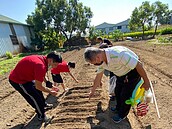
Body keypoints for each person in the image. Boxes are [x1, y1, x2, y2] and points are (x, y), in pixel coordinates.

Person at [84, 46, 151, 123]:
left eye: (94, 63)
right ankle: (118, 108)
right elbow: (98, 77)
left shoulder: (120, 54)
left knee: (125, 95)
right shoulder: (101, 60)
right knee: (117, 92)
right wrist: (92, 91)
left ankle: (122, 115)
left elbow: (138, 65)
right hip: (120, 74)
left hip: (132, 73)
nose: (94, 65)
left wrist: (146, 81)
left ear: (98, 58)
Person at [9, 51, 62, 123]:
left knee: (39, 92)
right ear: (50, 60)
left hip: (27, 77)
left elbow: (42, 74)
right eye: (55, 64)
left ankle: (43, 105)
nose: (56, 66)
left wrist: (50, 85)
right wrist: (50, 91)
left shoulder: (44, 60)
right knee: (35, 97)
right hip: (18, 80)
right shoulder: (40, 65)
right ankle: (41, 116)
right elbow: (38, 86)